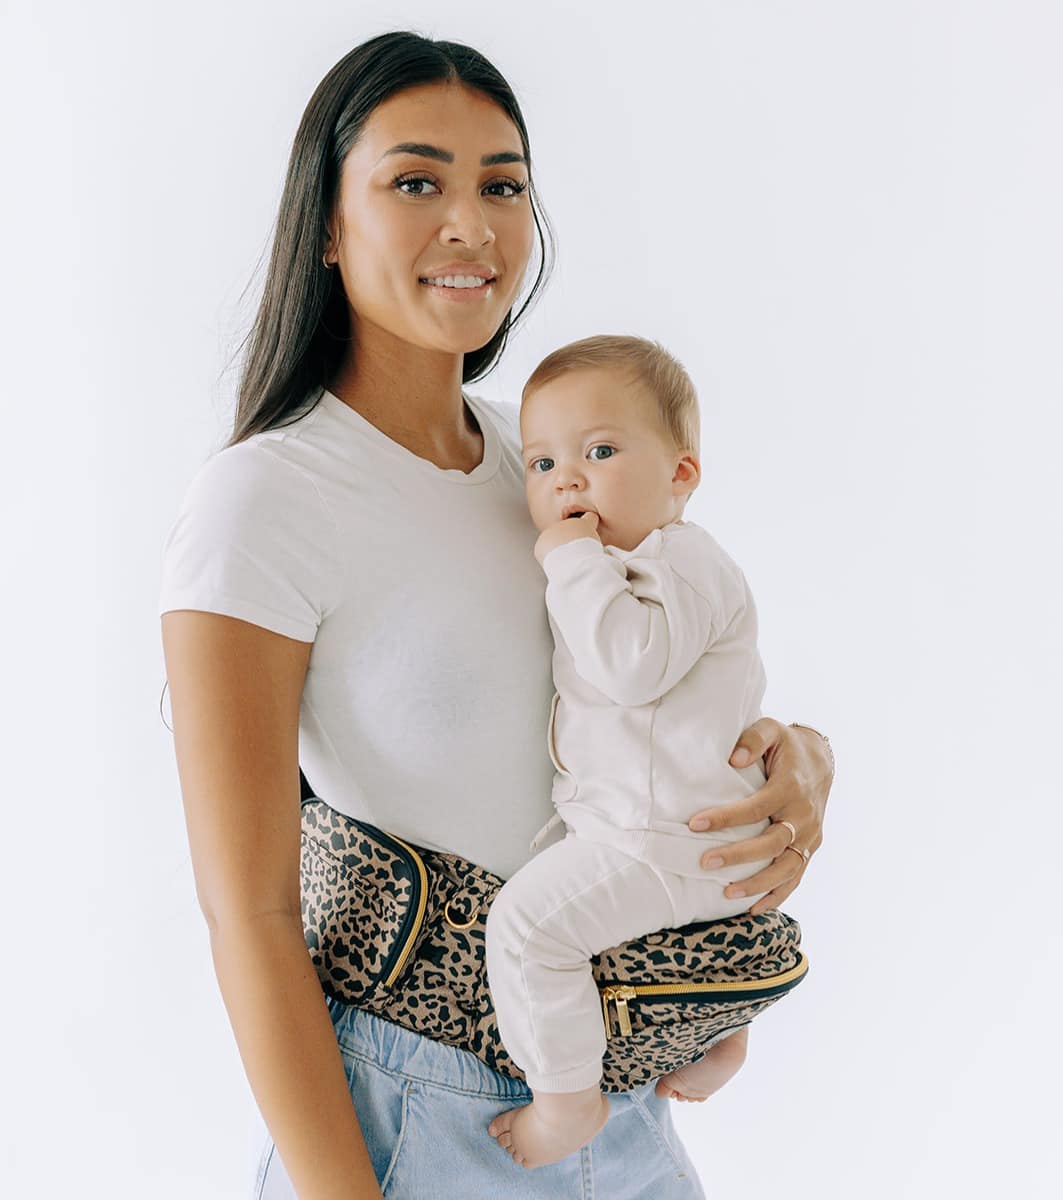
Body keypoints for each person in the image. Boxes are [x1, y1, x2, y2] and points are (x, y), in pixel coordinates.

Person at [158, 31, 833, 1200]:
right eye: (417, 182)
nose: (470, 224)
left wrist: (799, 758)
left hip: (611, 1093)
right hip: (411, 1114)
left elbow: (666, 666)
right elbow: (251, 916)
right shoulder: (264, 500)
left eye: (503, 186)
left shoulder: (550, 461)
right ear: (328, 225)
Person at [484, 334, 788, 1169]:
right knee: (669, 946)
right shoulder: (643, 564)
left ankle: (567, 1102)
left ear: (681, 474)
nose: (567, 481)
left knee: (528, 930)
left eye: (600, 452)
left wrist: (571, 559)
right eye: (542, 463)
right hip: (688, 844)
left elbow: (630, 666)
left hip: (663, 841)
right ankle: (720, 1040)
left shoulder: (682, 561)